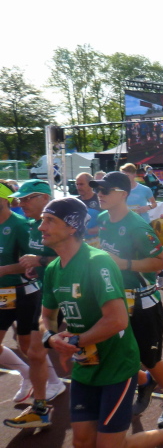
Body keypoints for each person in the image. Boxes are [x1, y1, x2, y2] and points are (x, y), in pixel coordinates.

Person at [38, 197, 163, 447]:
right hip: (84, 365)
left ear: (72, 226)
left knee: (110, 446)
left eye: (50, 220)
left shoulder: (97, 262)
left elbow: (117, 320)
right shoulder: (53, 269)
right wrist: (50, 338)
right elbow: (47, 316)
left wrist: (74, 341)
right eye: (42, 220)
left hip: (116, 366)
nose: (41, 227)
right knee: (82, 443)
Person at [92, 171, 163, 427]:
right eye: (98, 189)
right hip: (115, 299)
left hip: (143, 302)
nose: (99, 194)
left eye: (105, 190)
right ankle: (144, 382)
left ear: (122, 194)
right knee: (116, 351)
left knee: (150, 359)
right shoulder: (102, 218)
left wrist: (124, 263)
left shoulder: (137, 227)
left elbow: (161, 262)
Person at [4, 180, 66, 429]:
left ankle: (142, 379)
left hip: (71, 293)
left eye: (27, 198)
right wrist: (32, 268)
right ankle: (40, 408)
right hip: (46, 293)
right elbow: (36, 261)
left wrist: (38, 261)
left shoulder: (62, 224)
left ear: (45, 198)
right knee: (35, 352)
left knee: (95, 352)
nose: (22, 203)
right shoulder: (31, 226)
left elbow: (71, 257)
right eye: (20, 199)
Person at [0, 180, 38, 404]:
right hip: (3, 293)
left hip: (24, 291)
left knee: (26, 344)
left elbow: (33, 263)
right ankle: (28, 375)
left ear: (4, 200)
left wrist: (5, 270)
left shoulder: (20, 225)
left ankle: (51, 382)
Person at [75, 172, 101, 246]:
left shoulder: (100, 200)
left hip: (98, 243)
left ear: (90, 184)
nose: (78, 187)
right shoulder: (74, 202)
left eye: (81, 184)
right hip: (79, 243)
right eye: (77, 184)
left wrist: (87, 231)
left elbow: (107, 224)